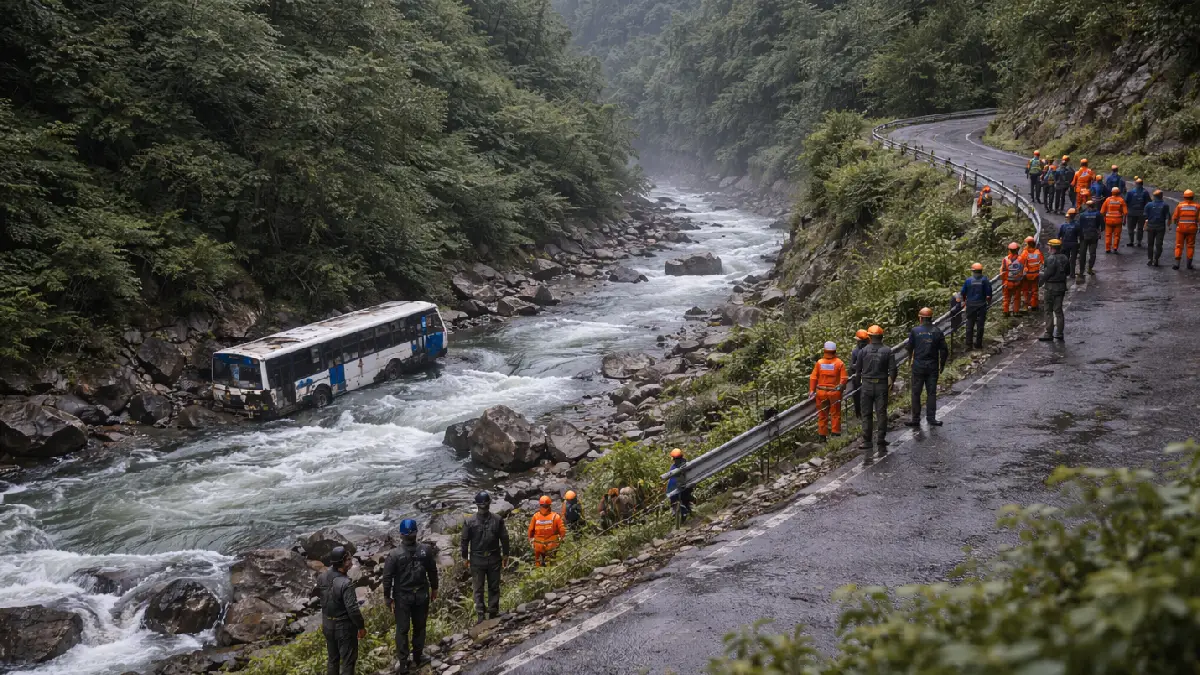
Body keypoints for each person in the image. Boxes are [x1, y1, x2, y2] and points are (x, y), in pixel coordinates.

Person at [383, 519, 438, 674]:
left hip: (403, 598)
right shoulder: (425, 550)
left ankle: (403, 661)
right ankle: (418, 656)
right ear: (416, 532)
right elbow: (432, 571)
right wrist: (435, 588)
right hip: (420, 595)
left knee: (402, 629)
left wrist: (388, 598)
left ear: (401, 535)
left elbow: (387, 578)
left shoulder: (394, 555)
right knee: (419, 626)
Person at [460, 491, 509, 622]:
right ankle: (492, 612)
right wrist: (506, 555)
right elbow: (504, 538)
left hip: (479, 559)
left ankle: (482, 615)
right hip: (492, 558)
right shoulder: (497, 519)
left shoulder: (469, 522)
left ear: (477, 505)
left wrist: (465, 558)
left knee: (478, 589)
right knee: (492, 586)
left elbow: (464, 541)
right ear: (489, 504)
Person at [319, 546, 365, 675]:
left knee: (333, 660)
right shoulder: (346, 583)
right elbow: (353, 609)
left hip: (327, 624)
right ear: (343, 562)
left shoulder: (322, 577)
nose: (351, 562)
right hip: (343, 627)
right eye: (349, 559)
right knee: (348, 661)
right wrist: (361, 627)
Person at [904, 308, 948, 428]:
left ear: (920, 318)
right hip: (932, 366)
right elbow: (944, 350)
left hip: (918, 366)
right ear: (931, 318)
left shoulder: (915, 331)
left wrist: (910, 360)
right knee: (931, 393)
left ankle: (915, 419)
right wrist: (942, 364)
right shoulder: (937, 331)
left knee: (916, 393)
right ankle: (931, 418)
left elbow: (909, 347)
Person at [857, 325, 897, 455]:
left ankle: (867, 441)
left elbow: (858, 370)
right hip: (881, 385)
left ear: (869, 336)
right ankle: (881, 438)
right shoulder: (888, 351)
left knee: (866, 414)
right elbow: (893, 370)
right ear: (881, 336)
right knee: (881, 412)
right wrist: (891, 383)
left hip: (867, 386)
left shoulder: (863, 351)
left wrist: (859, 385)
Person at [808, 341, 848, 441]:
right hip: (834, 392)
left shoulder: (819, 363)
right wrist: (842, 387)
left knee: (822, 414)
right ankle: (835, 434)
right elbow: (844, 379)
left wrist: (812, 390)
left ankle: (822, 436)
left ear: (824, 350)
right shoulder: (839, 363)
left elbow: (813, 377)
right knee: (835, 413)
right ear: (834, 351)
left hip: (821, 392)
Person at [1038, 239, 1070, 342]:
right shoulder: (1065, 258)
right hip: (1061, 287)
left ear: (1052, 248)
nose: (1048, 248)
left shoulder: (1050, 259)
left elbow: (1048, 273)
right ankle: (1060, 333)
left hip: (1051, 287)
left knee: (1048, 310)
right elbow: (1068, 272)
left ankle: (1049, 333)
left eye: (1049, 247)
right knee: (1059, 311)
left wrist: (1041, 282)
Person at [959, 263, 993, 349]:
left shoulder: (968, 280)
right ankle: (978, 344)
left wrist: (964, 302)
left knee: (969, 325)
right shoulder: (985, 280)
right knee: (980, 326)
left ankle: (968, 344)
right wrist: (989, 303)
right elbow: (988, 295)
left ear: (973, 271)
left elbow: (962, 293)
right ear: (981, 271)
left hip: (970, 305)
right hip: (981, 305)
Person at [527, 496, 566, 567]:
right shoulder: (555, 516)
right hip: (551, 545)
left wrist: (530, 540)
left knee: (538, 561)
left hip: (538, 545)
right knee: (551, 562)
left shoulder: (535, 516)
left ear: (540, 505)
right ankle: (551, 574)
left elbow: (530, 530)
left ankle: (538, 574)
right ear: (550, 505)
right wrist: (561, 538)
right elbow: (562, 530)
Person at [1172, 189, 1199, 270]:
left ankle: (1177, 265)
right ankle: (1189, 265)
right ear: (1193, 197)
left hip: (1181, 229)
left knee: (1179, 246)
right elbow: (1199, 218)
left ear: (1184, 197)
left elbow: (1175, 217)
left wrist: (1177, 225)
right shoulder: (1197, 206)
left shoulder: (1180, 206)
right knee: (1190, 246)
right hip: (1192, 229)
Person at [1144, 189, 1170, 266]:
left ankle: (1150, 259)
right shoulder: (1165, 205)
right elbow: (1167, 217)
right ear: (1161, 196)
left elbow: (1145, 215)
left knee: (1150, 244)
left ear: (1154, 196)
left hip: (1151, 227)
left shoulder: (1148, 205)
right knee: (1159, 244)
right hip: (1160, 227)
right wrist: (1169, 226)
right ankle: (1156, 258)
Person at [666, 448, 693, 522]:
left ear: (673, 458)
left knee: (673, 495)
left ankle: (682, 512)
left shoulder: (673, 468)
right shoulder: (688, 464)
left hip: (679, 489)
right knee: (684, 496)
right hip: (689, 486)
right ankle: (687, 507)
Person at [1077, 200, 1103, 275]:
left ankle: (1081, 270)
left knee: (1082, 253)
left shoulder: (1082, 215)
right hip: (1094, 236)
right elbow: (1102, 226)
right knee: (1093, 254)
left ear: (1087, 206)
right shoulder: (1098, 214)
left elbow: (1079, 226)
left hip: (1084, 236)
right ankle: (1090, 269)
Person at [1100, 187, 1128, 254]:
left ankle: (1107, 248)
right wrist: (1124, 220)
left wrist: (1104, 218)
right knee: (1117, 235)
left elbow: (1102, 211)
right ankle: (1115, 248)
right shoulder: (1121, 200)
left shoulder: (1108, 200)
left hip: (1108, 220)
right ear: (1118, 193)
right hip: (1118, 220)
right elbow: (1125, 212)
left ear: (1112, 192)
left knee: (1108, 235)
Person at [1000, 242, 1025, 316]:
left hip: (1007, 282)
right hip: (1017, 282)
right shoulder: (1021, 259)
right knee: (1017, 298)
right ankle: (1016, 312)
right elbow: (1023, 270)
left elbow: (1003, 271)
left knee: (1006, 297)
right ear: (1017, 250)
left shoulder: (1005, 259)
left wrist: (1004, 281)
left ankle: (1006, 312)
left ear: (1009, 250)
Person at [1019, 236, 1043, 312]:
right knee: (1034, 291)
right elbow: (1042, 262)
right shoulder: (1038, 252)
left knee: (1025, 290)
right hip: (1035, 275)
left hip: (1026, 275)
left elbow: (1020, 263)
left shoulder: (1025, 253)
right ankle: (1034, 305)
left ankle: (1027, 304)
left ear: (1027, 244)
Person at [850, 328, 870, 418]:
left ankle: (865, 413)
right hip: (859, 376)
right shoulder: (855, 351)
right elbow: (852, 365)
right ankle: (859, 413)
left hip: (866, 376)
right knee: (858, 396)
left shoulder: (870, 349)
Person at [1125, 177, 1150, 247]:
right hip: (1142, 213)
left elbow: (1126, 202)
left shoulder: (1130, 192)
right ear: (1142, 184)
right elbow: (1148, 203)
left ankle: (1131, 241)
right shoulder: (1145, 192)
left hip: (1131, 212)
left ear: (1136, 184)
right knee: (1140, 228)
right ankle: (1139, 241)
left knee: (1130, 227)